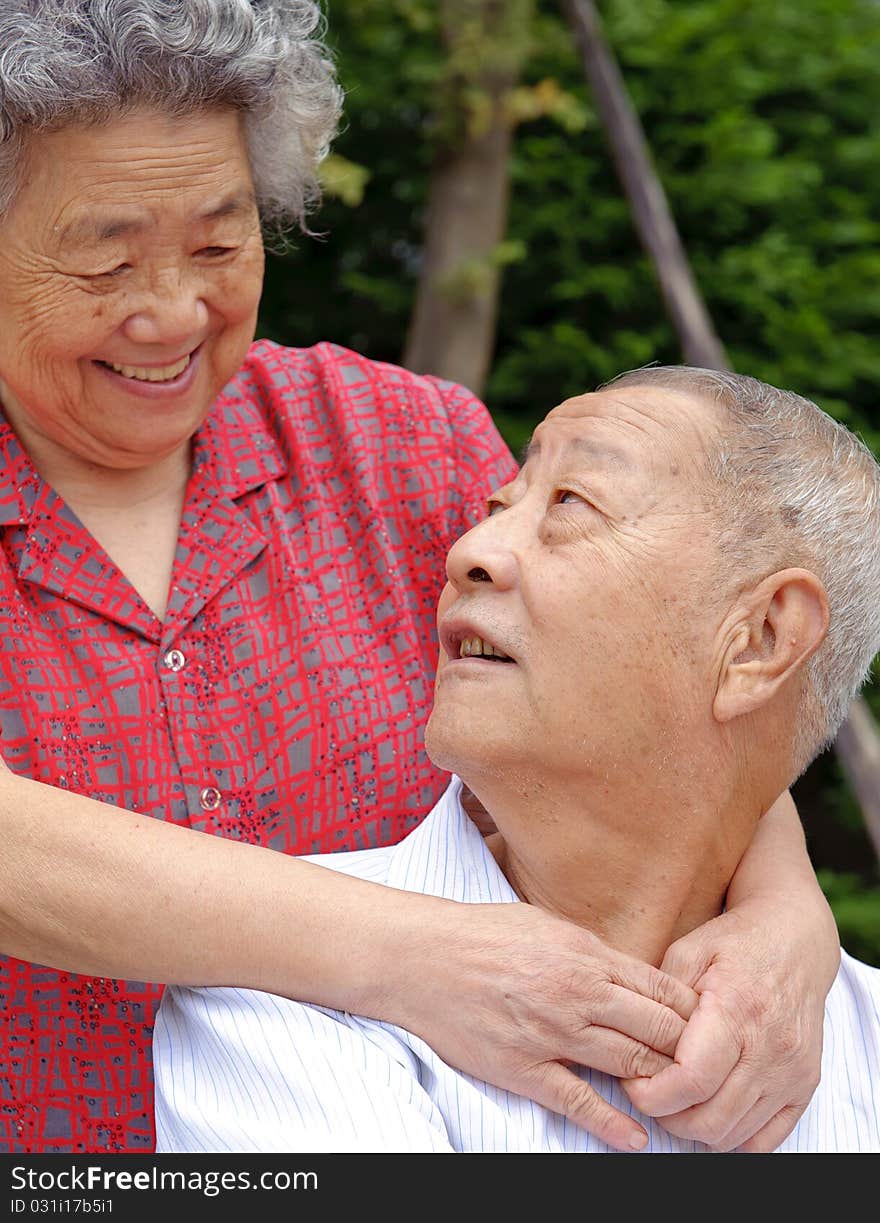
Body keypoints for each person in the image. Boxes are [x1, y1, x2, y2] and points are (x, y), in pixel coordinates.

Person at [0, 0, 839, 1155]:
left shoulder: (396, 445)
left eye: (218, 242)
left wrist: (785, 915)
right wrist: (409, 954)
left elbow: (652, 690)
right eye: (103, 256)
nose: (173, 312)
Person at [154, 368, 880, 1154]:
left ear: (761, 638)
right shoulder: (277, 1002)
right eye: (497, 504)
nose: (469, 549)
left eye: (571, 504)